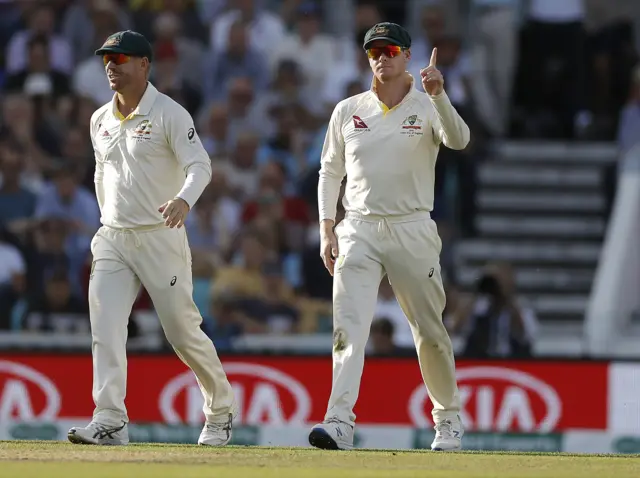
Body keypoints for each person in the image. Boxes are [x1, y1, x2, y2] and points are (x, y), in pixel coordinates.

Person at [67, 31, 236, 446]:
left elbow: (200, 165)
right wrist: (108, 221)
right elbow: (102, 175)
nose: (111, 66)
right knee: (105, 327)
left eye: (121, 59)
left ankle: (220, 411)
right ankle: (109, 419)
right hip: (113, 238)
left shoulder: (170, 114)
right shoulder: (99, 119)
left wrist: (183, 199)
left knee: (181, 333)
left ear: (144, 64)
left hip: (161, 236)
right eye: (107, 59)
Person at [309, 22, 470, 452]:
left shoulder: (427, 102)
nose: (383, 57)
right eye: (374, 51)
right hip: (358, 227)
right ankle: (339, 420)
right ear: (368, 58)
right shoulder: (347, 109)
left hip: (412, 227)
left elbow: (459, 139)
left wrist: (439, 94)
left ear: (407, 56)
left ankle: (448, 419)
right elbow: (330, 172)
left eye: (391, 50)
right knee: (349, 326)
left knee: (429, 330)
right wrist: (327, 228)